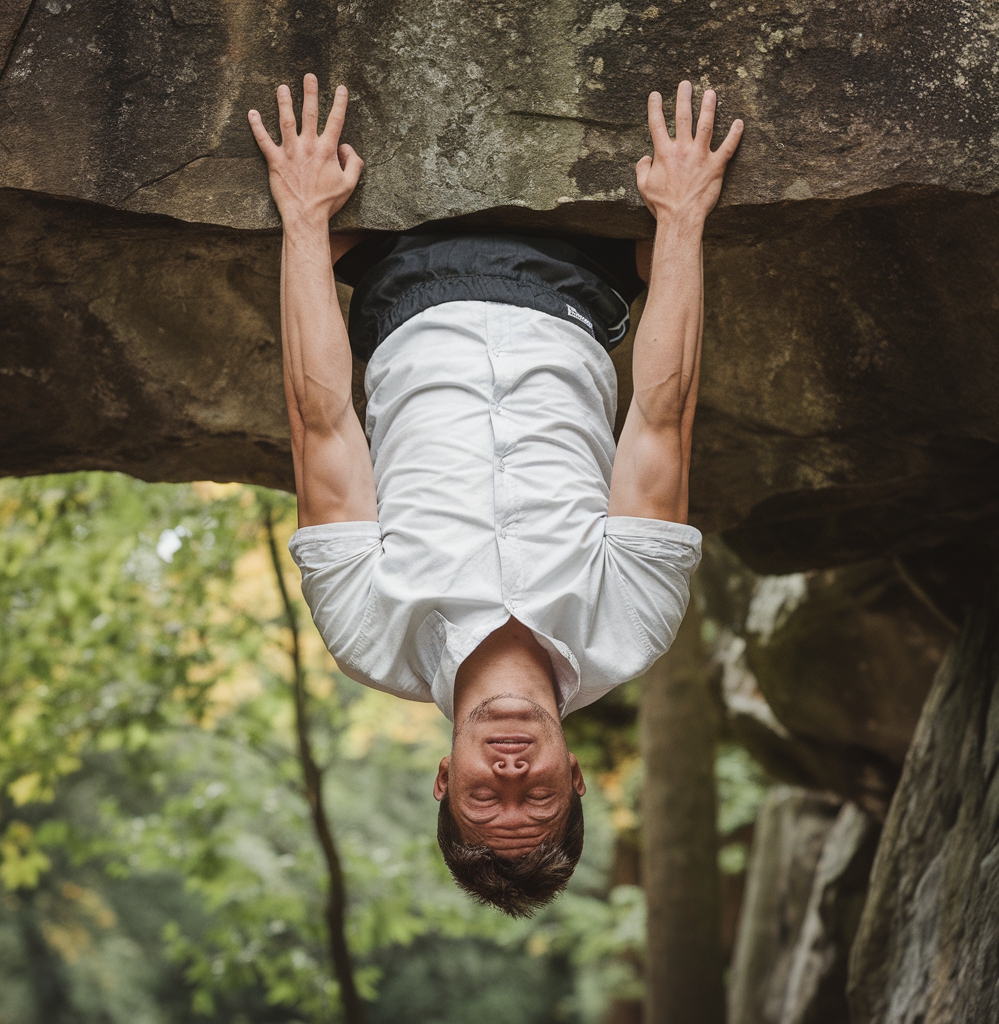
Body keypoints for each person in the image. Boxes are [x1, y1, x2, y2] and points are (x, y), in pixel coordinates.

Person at [248, 75, 742, 917]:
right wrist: (681, 215)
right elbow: (663, 419)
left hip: (398, 278)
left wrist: (303, 216)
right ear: (576, 777)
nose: (511, 779)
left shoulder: (367, 634)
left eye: (485, 802)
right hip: (577, 282)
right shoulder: (635, 625)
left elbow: (321, 425)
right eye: (540, 802)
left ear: (446, 778)